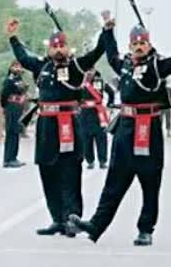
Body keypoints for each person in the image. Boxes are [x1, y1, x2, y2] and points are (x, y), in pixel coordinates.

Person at [72, 21, 171, 246]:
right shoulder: (124, 65)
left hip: (149, 126)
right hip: (125, 128)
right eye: (134, 43)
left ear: (149, 44)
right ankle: (96, 225)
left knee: (150, 181)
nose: (138, 46)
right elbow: (111, 54)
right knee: (114, 180)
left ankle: (145, 229)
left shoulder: (158, 66)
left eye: (142, 43)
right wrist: (107, 32)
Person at [8, 17, 106, 237]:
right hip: (46, 126)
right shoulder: (41, 66)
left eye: (62, 46)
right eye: (55, 46)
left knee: (70, 171)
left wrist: (106, 31)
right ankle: (57, 219)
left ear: (67, 47)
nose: (58, 50)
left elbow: (98, 52)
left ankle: (72, 217)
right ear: (50, 49)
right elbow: (23, 58)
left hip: (69, 123)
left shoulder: (76, 66)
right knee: (48, 171)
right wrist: (13, 37)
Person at [80, 69, 114, 170]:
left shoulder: (99, 81)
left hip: (98, 113)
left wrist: (109, 104)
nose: (89, 73)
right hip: (84, 113)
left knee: (101, 137)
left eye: (91, 70)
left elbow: (111, 92)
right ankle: (90, 161)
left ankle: (102, 161)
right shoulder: (80, 82)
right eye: (87, 71)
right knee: (86, 138)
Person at [0, 60, 27, 169]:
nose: (18, 69)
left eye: (19, 66)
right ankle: (8, 159)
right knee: (11, 132)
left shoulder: (19, 79)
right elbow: (4, 94)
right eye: (15, 66)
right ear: (11, 68)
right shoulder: (10, 80)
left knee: (16, 132)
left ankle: (14, 157)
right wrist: (5, 106)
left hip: (18, 108)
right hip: (11, 107)